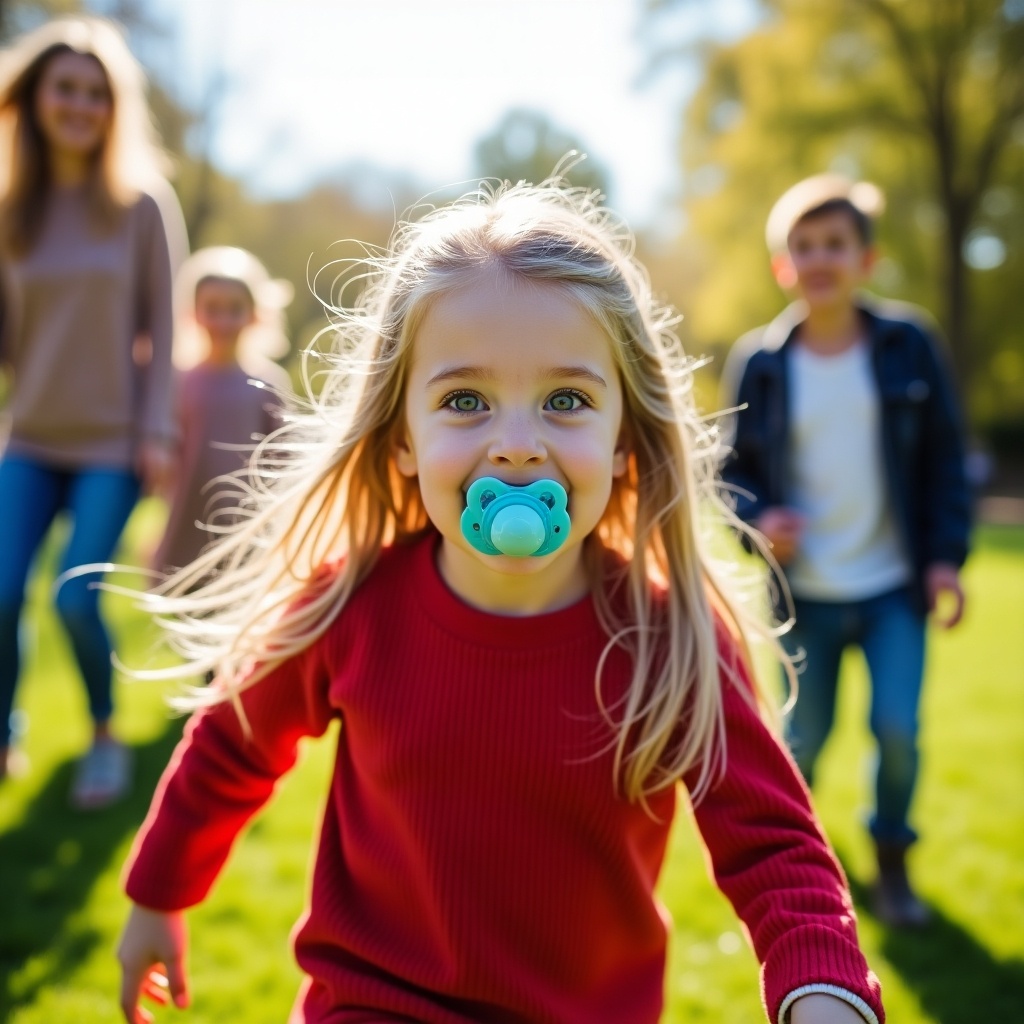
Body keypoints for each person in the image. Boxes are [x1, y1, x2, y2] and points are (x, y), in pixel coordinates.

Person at [117, 182, 885, 1024]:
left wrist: (825, 991)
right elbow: (231, 747)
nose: (516, 445)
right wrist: (158, 894)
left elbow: (775, 850)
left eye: (566, 401)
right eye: (464, 400)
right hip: (372, 1004)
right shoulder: (349, 604)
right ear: (402, 437)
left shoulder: (670, 635)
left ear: (625, 435)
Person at [720, 174, 971, 928]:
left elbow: (944, 459)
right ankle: (800, 875)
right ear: (782, 265)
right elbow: (729, 473)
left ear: (867, 259)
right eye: (804, 246)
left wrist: (943, 558)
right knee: (801, 743)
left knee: (897, 731)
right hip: (805, 595)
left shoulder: (908, 346)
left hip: (894, 587)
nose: (820, 257)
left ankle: (892, 865)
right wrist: (762, 520)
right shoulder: (761, 363)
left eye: (836, 243)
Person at [0, 16, 187, 806]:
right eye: (63, 89)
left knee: (77, 598)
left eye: (94, 93)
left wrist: (157, 428)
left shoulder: (142, 205)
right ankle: (7, 732)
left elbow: (164, 325)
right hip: (31, 438)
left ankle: (104, 736)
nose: (78, 105)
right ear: (34, 99)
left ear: (115, 107)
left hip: (115, 443)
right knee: (3, 592)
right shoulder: (13, 210)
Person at [153, 246, 292, 576]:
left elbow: (286, 458)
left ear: (255, 314)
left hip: (245, 529)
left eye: (234, 309)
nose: (223, 320)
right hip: (186, 515)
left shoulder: (268, 383)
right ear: (193, 313)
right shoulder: (178, 381)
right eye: (212, 308)